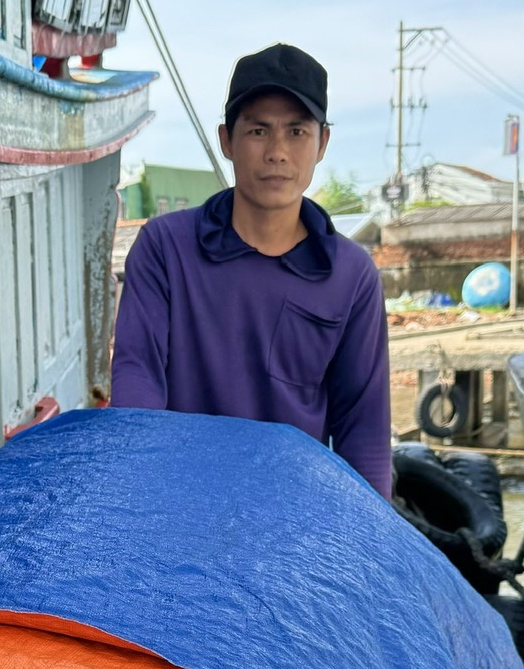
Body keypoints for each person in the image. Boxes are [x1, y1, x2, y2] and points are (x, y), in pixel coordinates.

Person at [110, 44, 392, 497]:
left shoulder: (351, 275)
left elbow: (364, 428)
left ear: (322, 142)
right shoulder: (165, 248)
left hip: (291, 514)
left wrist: (375, 547)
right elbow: (137, 379)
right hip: (179, 500)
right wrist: (137, 496)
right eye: (259, 130)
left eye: (297, 131)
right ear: (227, 140)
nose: (278, 152)